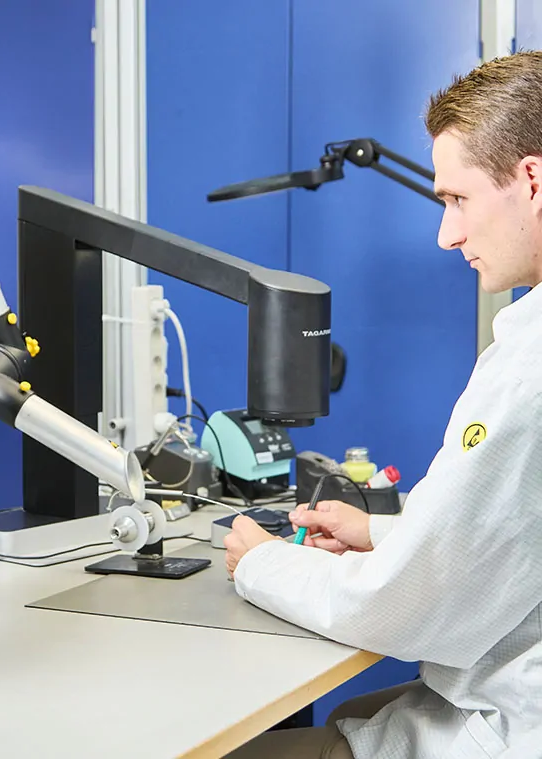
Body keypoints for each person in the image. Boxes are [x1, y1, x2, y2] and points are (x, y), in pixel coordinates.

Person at [223, 50, 542, 759]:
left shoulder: (531, 367)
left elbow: (405, 610)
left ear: (530, 178)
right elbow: (513, 531)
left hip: (518, 729)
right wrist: (387, 534)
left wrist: (261, 561)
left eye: (456, 199)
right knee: (365, 706)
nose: (446, 233)